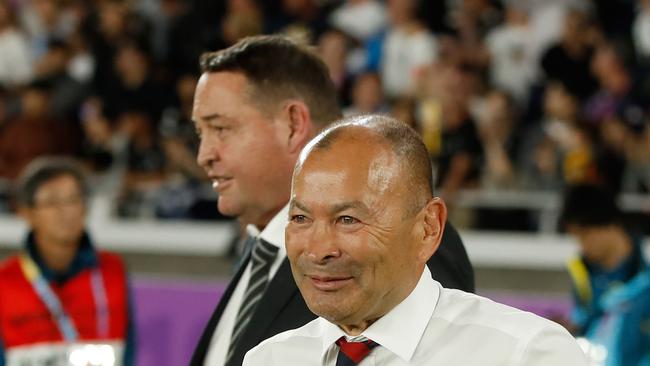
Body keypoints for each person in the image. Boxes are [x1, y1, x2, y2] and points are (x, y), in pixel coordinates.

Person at [190, 35, 474, 366]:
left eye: (221, 129)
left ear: (293, 125)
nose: (204, 155)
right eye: (200, 133)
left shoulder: (406, 235)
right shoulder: (261, 250)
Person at [244, 115, 587, 365]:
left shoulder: (527, 355)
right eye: (300, 218)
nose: (319, 250)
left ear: (428, 229)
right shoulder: (269, 359)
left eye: (347, 219)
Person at [0, 157, 134, 366]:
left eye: (74, 199)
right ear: (27, 213)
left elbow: (128, 350)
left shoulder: (112, 270)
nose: (67, 211)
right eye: (52, 202)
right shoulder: (5, 280)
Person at [560, 184, 650, 366]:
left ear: (608, 225)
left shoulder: (645, 272)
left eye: (584, 235)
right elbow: (585, 322)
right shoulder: (582, 272)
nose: (581, 245)